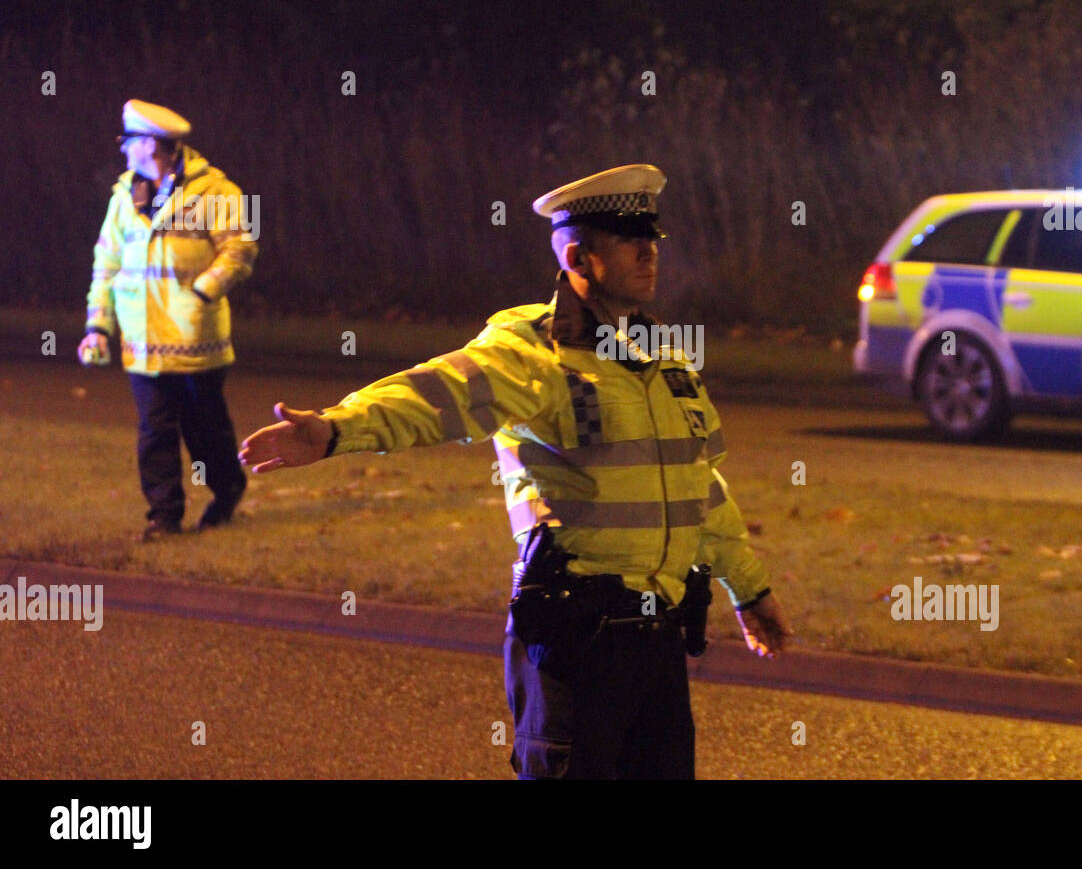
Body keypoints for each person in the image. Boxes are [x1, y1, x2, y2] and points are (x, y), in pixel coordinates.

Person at [238, 163, 792, 778]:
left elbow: (699, 487)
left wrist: (749, 588)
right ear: (579, 258)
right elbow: (436, 395)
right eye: (629, 241)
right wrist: (339, 428)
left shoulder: (663, 357)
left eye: (651, 240)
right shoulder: (532, 350)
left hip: (658, 639)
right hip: (579, 637)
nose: (648, 253)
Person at [78, 99, 257, 539]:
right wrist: (97, 326)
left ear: (152, 145)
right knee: (154, 433)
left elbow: (240, 249)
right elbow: (106, 263)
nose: (122, 150)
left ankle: (227, 489)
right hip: (142, 343)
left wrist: (201, 293)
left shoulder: (217, 191)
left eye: (128, 141)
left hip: (196, 341)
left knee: (206, 430)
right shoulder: (124, 196)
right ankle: (164, 517)